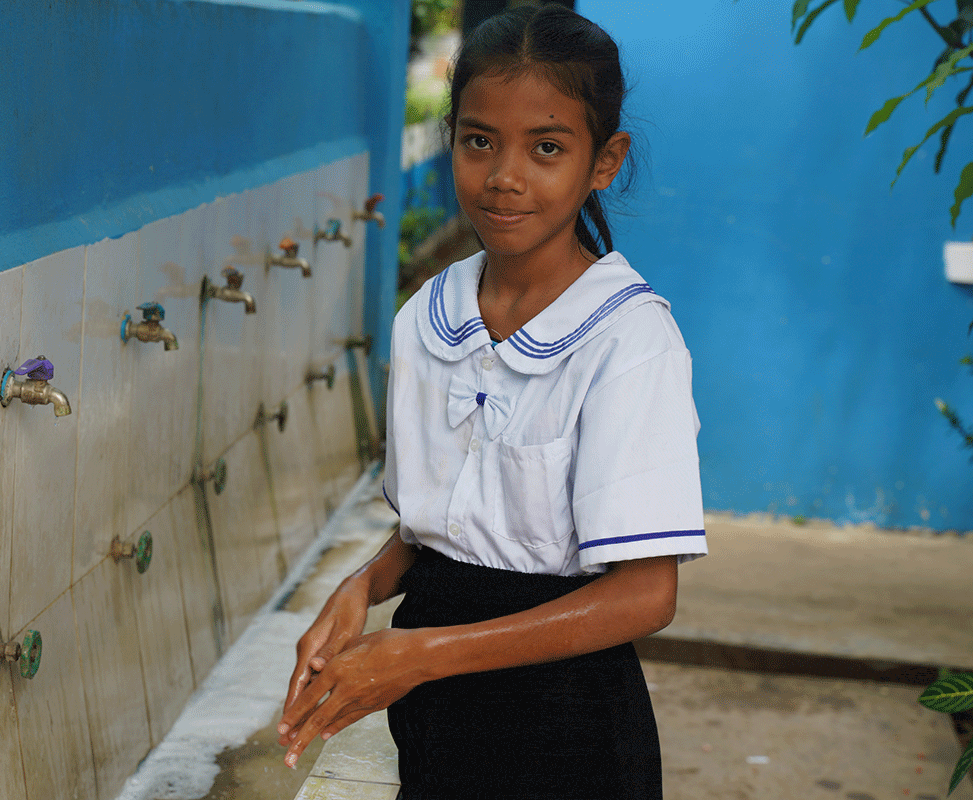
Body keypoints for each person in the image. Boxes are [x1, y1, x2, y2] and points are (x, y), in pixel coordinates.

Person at [277, 4, 707, 798]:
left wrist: (424, 653)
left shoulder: (626, 341)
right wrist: (364, 588)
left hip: (565, 726)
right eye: (479, 141)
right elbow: (451, 529)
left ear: (604, 160)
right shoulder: (427, 320)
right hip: (436, 716)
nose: (505, 175)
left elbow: (647, 594)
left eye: (547, 147)